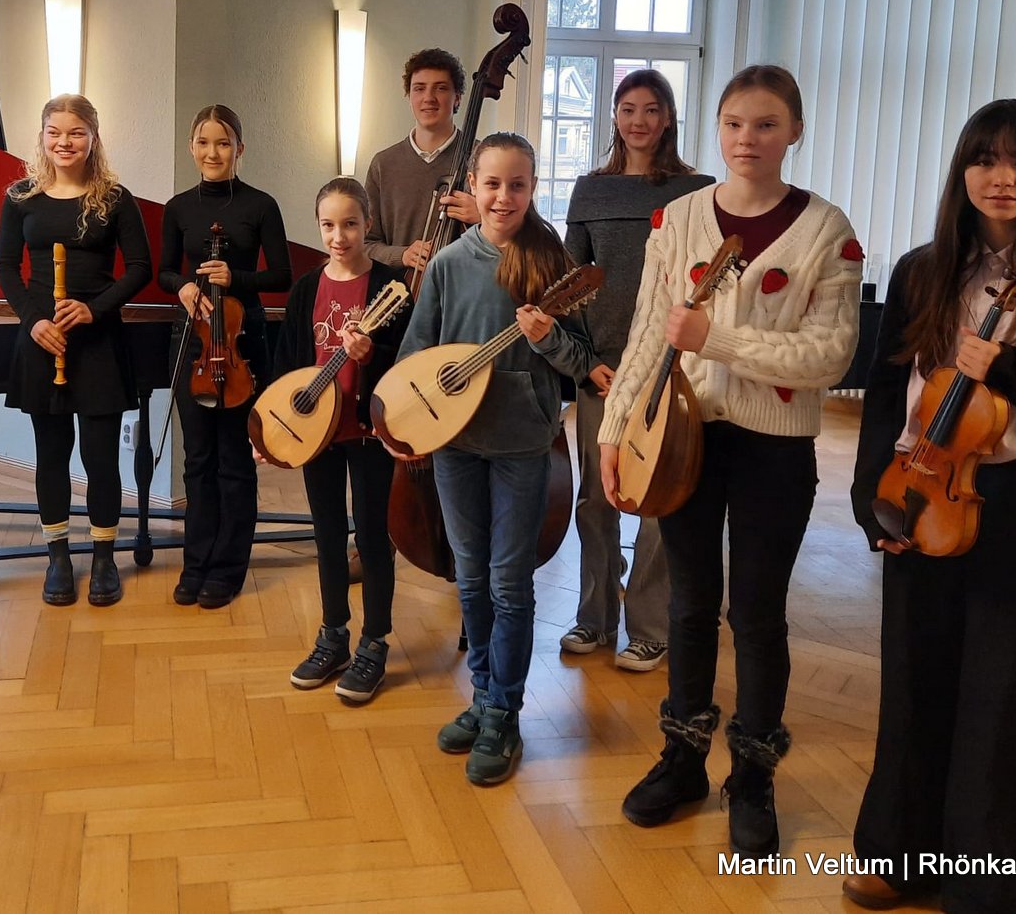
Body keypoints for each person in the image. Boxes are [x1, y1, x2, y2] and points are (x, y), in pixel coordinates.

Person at [842, 100, 1016, 913]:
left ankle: (998, 886)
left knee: (1008, 698)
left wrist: (1007, 370)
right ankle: (902, 853)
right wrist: (870, 496)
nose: (1003, 177)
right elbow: (883, 395)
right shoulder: (921, 271)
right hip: (920, 490)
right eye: (986, 158)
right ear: (962, 170)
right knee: (915, 680)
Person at [598, 65, 861, 855]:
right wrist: (613, 427)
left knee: (756, 611)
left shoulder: (826, 230)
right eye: (735, 123)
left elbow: (829, 354)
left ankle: (752, 775)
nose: (749, 138)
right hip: (681, 438)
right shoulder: (678, 218)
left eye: (767, 124)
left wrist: (716, 339)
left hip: (774, 449)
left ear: (795, 131)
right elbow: (647, 333)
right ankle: (683, 759)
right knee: (687, 602)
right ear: (716, 129)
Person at [397, 132, 594, 785]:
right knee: (471, 577)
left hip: (520, 446)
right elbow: (417, 354)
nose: (503, 196)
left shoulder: (551, 262)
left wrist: (547, 339)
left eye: (517, 184)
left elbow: (579, 361)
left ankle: (504, 712)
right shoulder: (449, 264)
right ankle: (483, 697)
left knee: (510, 582)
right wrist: (409, 418)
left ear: (533, 188)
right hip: (456, 446)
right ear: (472, 189)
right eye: (492, 184)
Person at [561, 68, 714, 671]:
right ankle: (593, 616)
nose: (639, 121)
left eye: (651, 109)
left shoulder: (698, 192)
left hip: (670, 369)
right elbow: (571, 285)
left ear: (669, 117)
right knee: (597, 498)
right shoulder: (590, 191)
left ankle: (649, 626)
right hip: (603, 367)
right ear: (615, 117)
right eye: (628, 109)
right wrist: (588, 363)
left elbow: (705, 284)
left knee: (658, 496)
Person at [0, 94, 152, 607]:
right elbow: (4, 267)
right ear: (42, 136)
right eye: (55, 132)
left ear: (93, 138)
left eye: (76, 133)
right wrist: (34, 321)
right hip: (42, 338)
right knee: (51, 454)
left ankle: (104, 557)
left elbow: (140, 268)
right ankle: (58, 556)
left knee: (101, 456)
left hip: (98, 339)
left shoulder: (115, 198)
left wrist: (94, 309)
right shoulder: (20, 196)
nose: (65, 142)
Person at [269, 178, 406, 702]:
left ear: (368, 223)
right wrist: (273, 428)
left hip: (367, 432)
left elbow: (406, 359)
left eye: (350, 224)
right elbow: (287, 364)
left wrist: (373, 356)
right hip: (316, 434)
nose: (339, 236)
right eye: (328, 225)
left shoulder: (390, 286)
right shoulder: (307, 287)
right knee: (326, 535)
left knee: (371, 538)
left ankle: (375, 642)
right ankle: (333, 636)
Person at [157, 105, 290, 608]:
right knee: (197, 460)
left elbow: (282, 275)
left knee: (234, 460)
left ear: (239, 148)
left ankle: (228, 568)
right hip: (192, 340)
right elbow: (165, 271)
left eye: (223, 142)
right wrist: (184, 287)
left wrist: (237, 278)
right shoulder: (178, 207)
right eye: (203, 142)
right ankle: (195, 564)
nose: (212, 152)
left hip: (241, 341)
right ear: (191, 147)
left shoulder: (261, 205)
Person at [363, 48, 479, 277]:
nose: (429, 98)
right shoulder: (383, 164)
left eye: (441, 88)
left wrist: (485, 218)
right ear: (409, 96)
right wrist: (402, 255)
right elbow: (365, 244)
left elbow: (520, 237)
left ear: (457, 97)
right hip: (399, 293)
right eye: (419, 88)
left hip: (466, 293)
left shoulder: (485, 159)